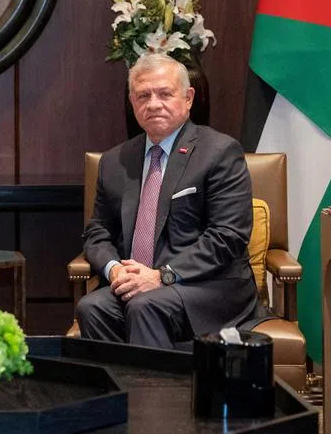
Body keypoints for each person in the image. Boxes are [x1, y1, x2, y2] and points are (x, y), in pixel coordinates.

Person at [76, 53, 261, 349]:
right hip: (138, 283)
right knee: (92, 307)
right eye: (143, 96)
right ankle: (120, 393)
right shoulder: (114, 161)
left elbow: (228, 237)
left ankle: (156, 396)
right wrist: (114, 270)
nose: (153, 104)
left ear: (188, 99)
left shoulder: (220, 152)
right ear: (132, 102)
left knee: (145, 306)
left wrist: (163, 275)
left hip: (206, 286)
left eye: (164, 94)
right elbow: (98, 232)